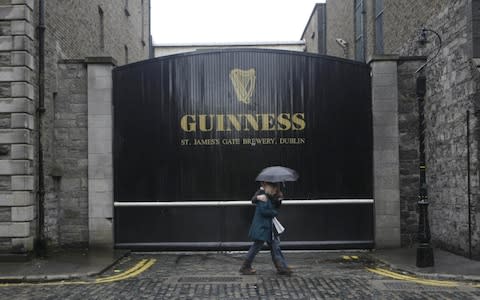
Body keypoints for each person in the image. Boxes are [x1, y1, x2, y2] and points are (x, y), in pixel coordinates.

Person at [239, 182, 292, 275]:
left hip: (267, 227)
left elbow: (274, 205)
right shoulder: (262, 195)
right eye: (274, 188)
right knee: (258, 246)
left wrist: (278, 200)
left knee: (274, 246)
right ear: (269, 187)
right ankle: (245, 266)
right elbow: (265, 211)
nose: (275, 190)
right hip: (262, 227)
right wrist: (274, 212)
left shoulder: (268, 195)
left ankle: (282, 267)